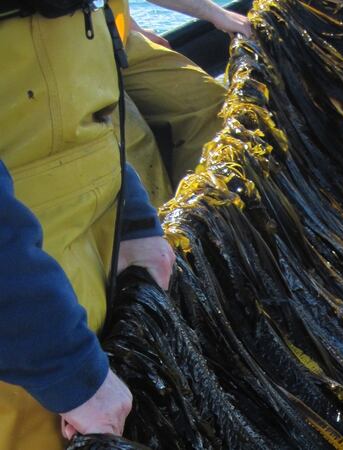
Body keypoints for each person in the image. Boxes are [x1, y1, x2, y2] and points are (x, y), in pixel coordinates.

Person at [0, 2, 175, 448]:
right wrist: (65, 365)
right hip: (23, 336)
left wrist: (131, 216)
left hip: (80, 278)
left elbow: (80, 107)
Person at [111, 0, 253, 206]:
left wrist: (130, 25)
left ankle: (210, 211)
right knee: (130, 143)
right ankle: (161, 230)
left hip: (105, 33)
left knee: (212, 105)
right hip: (58, 58)